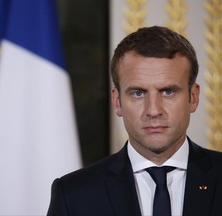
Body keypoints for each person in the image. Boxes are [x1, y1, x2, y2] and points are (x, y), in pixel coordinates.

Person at [47, 26, 222, 216]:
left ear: (193, 97)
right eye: (138, 93)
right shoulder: (74, 194)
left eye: (168, 91)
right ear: (117, 101)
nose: (153, 110)